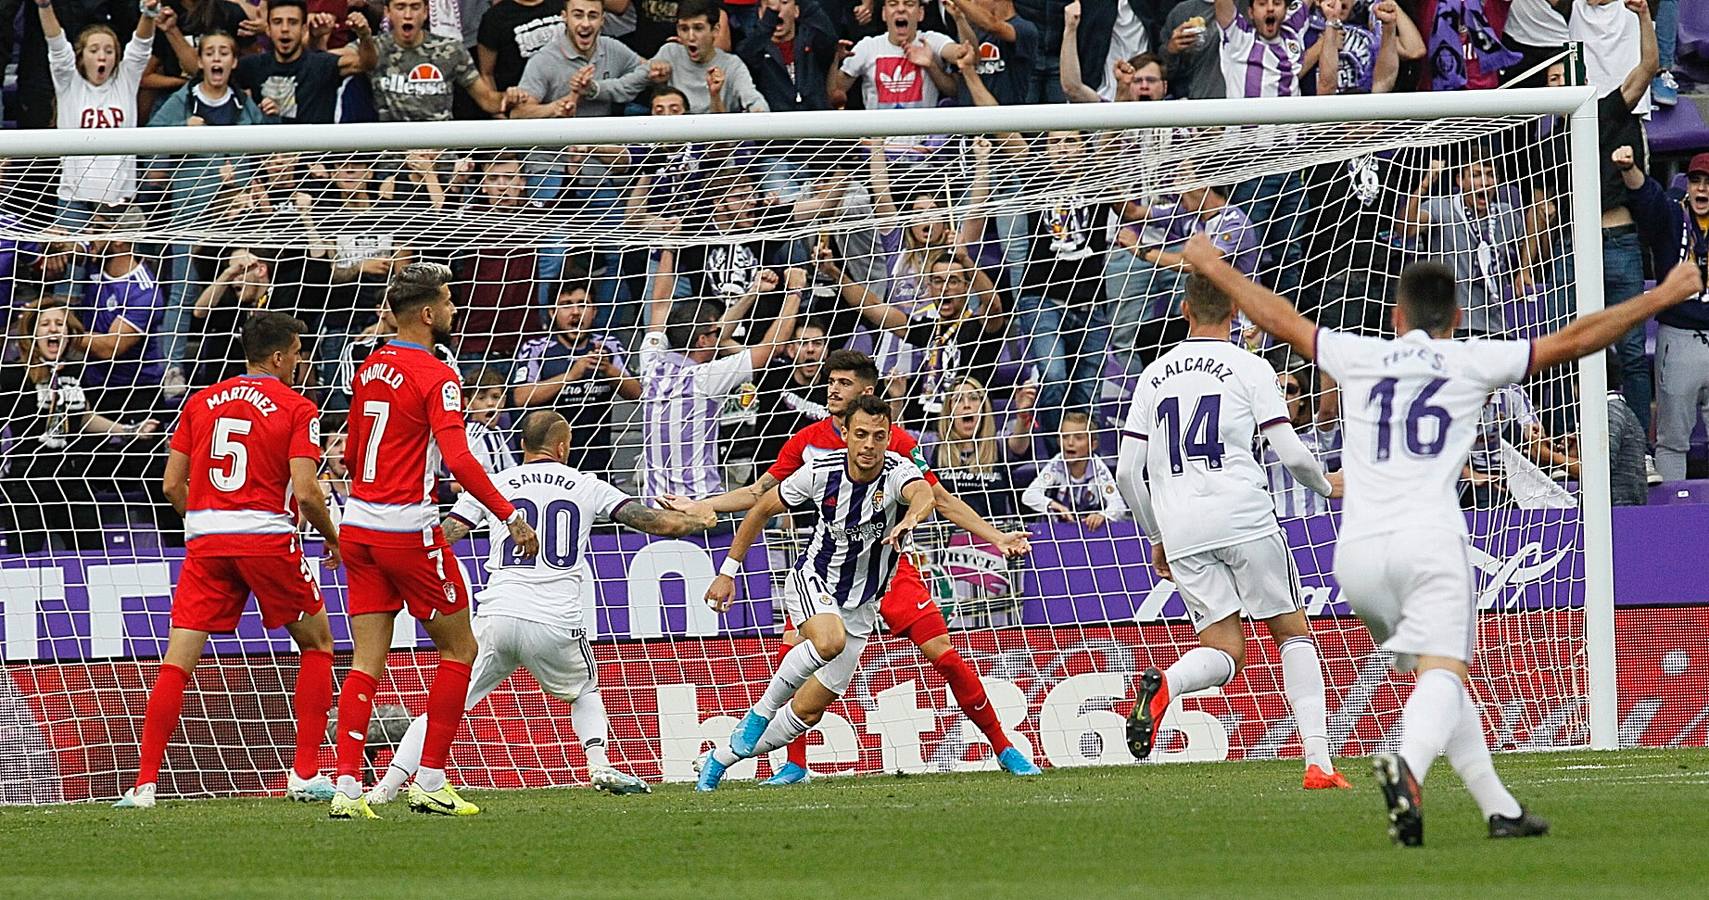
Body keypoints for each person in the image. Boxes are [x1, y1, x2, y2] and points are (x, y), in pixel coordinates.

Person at [1185, 233, 1705, 844]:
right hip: (1428, 543)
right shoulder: (1470, 360)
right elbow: (1577, 338)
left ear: (1397, 317)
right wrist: (1662, 296)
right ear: (1457, 319)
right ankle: (1407, 766)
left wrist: (1215, 269)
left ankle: (1499, 808)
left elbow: (1282, 318)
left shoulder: (1362, 355)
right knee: (1444, 672)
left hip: (1356, 558)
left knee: (1440, 681)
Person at [667, 350, 1038, 784]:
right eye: (830, 382)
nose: (831, 389)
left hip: (886, 570)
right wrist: (702, 506)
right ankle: (794, 764)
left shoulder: (894, 443)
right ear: (848, 435)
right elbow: (760, 495)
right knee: (807, 643)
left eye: (842, 383)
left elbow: (932, 496)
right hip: (824, 569)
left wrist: (991, 535)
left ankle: (1004, 747)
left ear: (867, 393)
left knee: (940, 656)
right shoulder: (809, 445)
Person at [366, 410, 716, 803]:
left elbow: (448, 534)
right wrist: (699, 518)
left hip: (496, 616)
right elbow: (658, 524)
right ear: (563, 447)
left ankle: (384, 789)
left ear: (522, 446)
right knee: (585, 690)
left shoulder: (495, 484)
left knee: (443, 706)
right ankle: (598, 762)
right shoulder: (587, 484)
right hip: (554, 618)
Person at [1113, 275, 1346, 790]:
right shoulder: (1249, 367)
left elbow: (1129, 472)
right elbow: (1289, 451)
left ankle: (1166, 684)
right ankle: (1319, 764)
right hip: (1243, 515)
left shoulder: (1153, 375)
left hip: (1182, 526)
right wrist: (1328, 486)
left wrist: (1157, 537)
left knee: (1223, 648)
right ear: (1236, 311)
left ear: (1184, 310)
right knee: (1290, 632)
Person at [329, 262, 539, 820]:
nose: (453, 309)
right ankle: (430, 778)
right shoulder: (438, 376)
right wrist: (507, 513)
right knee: (460, 649)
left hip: (358, 525)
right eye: (447, 301)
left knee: (367, 659)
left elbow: (350, 453)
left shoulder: (369, 365)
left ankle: (347, 786)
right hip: (405, 529)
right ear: (426, 314)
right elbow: (459, 456)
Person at [113, 313, 342, 810]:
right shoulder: (298, 407)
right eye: (299, 352)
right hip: (265, 541)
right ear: (278, 357)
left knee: (178, 659)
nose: (301, 361)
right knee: (318, 643)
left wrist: (209, 518)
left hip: (205, 541)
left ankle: (143, 786)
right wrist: (334, 538)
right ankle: (304, 774)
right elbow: (306, 492)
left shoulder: (199, 402)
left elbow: (173, 485)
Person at [694, 395, 938, 791]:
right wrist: (727, 572)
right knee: (829, 641)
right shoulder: (819, 470)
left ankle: (718, 760)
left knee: (807, 713)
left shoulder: (898, 471)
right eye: (860, 434)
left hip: (862, 604)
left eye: (879, 436)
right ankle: (759, 712)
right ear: (845, 434)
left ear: (890, 436)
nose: (869, 445)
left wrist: (911, 517)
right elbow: (760, 509)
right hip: (815, 579)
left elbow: (924, 495)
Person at [0, 298, 159, 555]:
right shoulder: (12, 374)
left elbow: (84, 417)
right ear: (33, 333)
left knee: (92, 553)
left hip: (71, 478)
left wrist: (129, 430)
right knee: (24, 561)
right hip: (27, 482)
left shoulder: (76, 370)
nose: (53, 329)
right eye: (45, 324)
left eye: (60, 324)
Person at [636, 261, 803, 503]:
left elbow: (660, 304)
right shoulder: (705, 379)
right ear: (702, 340)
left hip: (655, 507)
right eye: (716, 332)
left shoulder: (651, 364)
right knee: (777, 516)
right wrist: (795, 292)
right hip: (699, 507)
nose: (722, 335)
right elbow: (772, 347)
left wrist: (668, 248)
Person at [1630, 149, 1709, 482]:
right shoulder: (1673, 216)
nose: (1702, 189)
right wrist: (1629, 168)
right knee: (1672, 439)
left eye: (1708, 182)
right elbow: (1647, 198)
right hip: (1679, 339)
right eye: (1696, 180)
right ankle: (1670, 518)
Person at [39, 0, 158, 219]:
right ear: (81, 57)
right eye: (94, 50)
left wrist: (149, 12)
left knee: (126, 254)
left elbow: (141, 47)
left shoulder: (125, 80)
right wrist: (45, 6)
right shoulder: (68, 82)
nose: (102, 56)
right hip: (74, 202)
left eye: (109, 50)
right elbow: (56, 45)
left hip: (121, 201)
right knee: (71, 254)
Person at [510, 282, 641, 476]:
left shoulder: (609, 345)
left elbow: (638, 393)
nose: (576, 312)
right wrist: (571, 375)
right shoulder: (536, 348)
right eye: (566, 304)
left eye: (583, 304)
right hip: (549, 464)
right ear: (552, 312)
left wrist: (610, 371)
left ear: (594, 311)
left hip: (598, 463)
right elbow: (521, 397)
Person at [1399, 149, 1530, 337]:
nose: (1485, 182)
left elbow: (1526, 241)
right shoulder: (1441, 208)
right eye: (1476, 175)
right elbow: (1407, 228)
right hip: (1453, 327)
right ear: (1460, 180)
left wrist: (1523, 270)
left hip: (1497, 326)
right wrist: (1426, 184)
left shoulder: (1506, 214)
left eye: (1490, 175)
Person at [355, 0, 505, 121]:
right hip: (394, 154)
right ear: (388, 12)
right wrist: (363, 36)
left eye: (415, 7)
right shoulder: (373, 47)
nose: (408, 15)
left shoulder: (451, 49)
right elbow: (337, 60)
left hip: (439, 151)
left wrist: (511, 98)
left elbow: (488, 101)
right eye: (400, 7)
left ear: (426, 12)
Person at [510, 0, 656, 118]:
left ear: (602, 20)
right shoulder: (543, 60)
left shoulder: (611, 47)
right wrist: (555, 108)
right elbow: (518, 113)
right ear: (564, 17)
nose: (585, 24)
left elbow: (652, 71)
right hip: (553, 152)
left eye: (592, 16)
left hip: (598, 147)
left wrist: (596, 89)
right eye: (578, 15)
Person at [234, 0, 365, 124]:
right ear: (268, 29)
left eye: (292, 22)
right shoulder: (251, 66)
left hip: (314, 145)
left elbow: (366, 63)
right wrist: (253, 110)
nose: (285, 29)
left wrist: (365, 35)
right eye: (277, 22)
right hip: (268, 144)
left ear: (303, 29)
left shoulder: (321, 64)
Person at [924, 377, 1034, 520]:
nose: (967, 405)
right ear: (948, 409)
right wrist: (897, 401)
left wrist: (1023, 414)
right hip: (945, 538)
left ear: (983, 407)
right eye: (958, 399)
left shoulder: (998, 444)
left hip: (995, 536)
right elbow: (896, 439)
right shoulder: (931, 445)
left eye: (974, 398)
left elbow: (1019, 444)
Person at [829, 0, 963, 111]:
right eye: (893, 4)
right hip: (878, 140)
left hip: (922, 141)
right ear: (884, 14)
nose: (901, 9)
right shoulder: (867, 47)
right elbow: (834, 94)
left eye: (909, 4)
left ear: (920, 13)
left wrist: (931, 66)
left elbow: (963, 56)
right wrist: (833, 60)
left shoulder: (932, 41)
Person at [650, 0, 768, 113]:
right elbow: (634, 80)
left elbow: (753, 99)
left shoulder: (732, 65)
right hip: (675, 132)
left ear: (715, 30)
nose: (690, 37)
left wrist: (760, 112)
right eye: (684, 29)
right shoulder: (669, 52)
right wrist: (653, 73)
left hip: (717, 132)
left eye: (698, 28)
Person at [1021, 410, 1127, 530]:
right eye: (1065, 437)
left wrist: (1103, 515)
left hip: (1090, 532)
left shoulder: (1098, 468)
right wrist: (1053, 505)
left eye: (1078, 438)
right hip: (1057, 531)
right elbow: (1029, 495)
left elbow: (1119, 505)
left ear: (1092, 445)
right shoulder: (1056, 464)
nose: (1070, 443)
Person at [737, 0, 839, 112]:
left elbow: (829, 38)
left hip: (815, 121)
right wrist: (768, 21)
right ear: (760, 13)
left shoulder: (813, 42)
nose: (777, 10)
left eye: (784, 2)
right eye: (770, 6)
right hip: (775, 124)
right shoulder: (753, 49)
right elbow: (746, 54)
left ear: (796, 10)